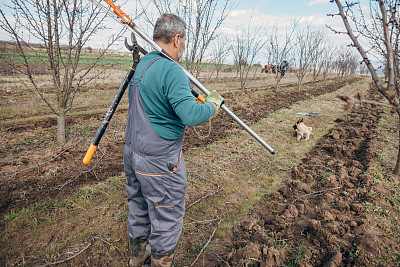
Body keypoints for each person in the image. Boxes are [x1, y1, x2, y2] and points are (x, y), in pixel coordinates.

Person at [123, 13, 224, 267]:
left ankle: (137, 256)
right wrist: (212, 105)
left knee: (138, 205)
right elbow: (190, 114)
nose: (184, 46)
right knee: (166, 212)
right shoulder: (172, 71)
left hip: (133, 152)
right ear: (176, 39)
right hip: (160, 162)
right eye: (184, 41)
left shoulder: (144, 63)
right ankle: (160, 261)